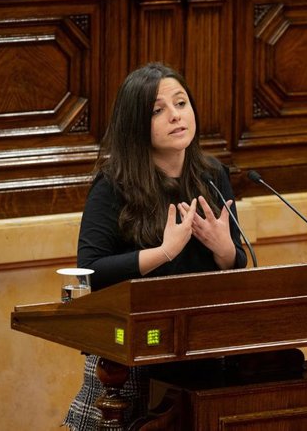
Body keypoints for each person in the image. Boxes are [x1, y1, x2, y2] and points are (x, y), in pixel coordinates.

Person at [62, 62, 248, 430]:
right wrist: (164, 252)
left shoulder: (212, 176)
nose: (176, 117)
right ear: (136, 123)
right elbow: (92, 270)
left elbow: (235, 262)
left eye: (181, 104)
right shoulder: (113, 185)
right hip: (132, 349)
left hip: (198, 346)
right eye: (158, 111)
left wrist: (224, 249)